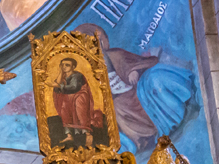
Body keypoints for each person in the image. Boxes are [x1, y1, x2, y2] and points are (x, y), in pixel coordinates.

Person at [77, 23, 198, 153]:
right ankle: (145, 139)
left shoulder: (114, 54)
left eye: (96, 44)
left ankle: (175, 114)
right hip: (121, 102)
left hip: (138, 88)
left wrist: (133, 71)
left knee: (154, 78)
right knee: (117, 109)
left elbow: (138, 62)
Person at [51, 58, 103, 148]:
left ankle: (87, 134)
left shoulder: (77, 75)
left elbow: (74, 87)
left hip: (80, 95)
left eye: (67, 65)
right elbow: (56, 89)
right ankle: (69, 135)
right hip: (68, 99)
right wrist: (60, 73)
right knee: (63, 108)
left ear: (73, 67)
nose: (64, 67)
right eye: (62, 65)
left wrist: (59, 86)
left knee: (79, 109)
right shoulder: (62, 77)